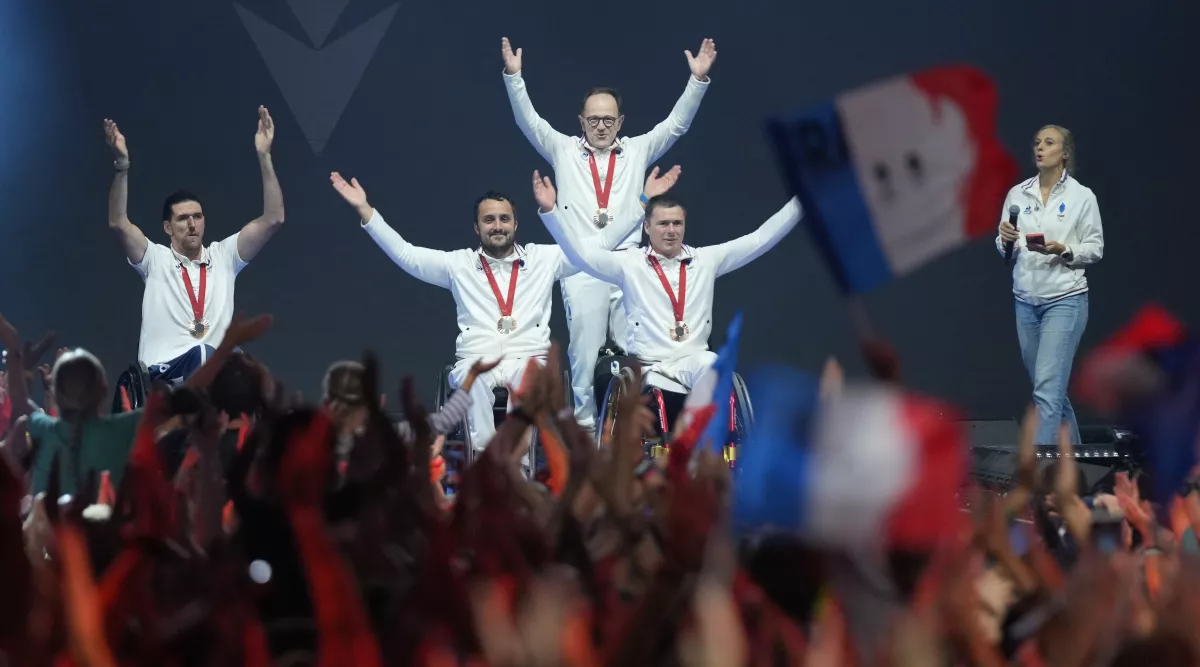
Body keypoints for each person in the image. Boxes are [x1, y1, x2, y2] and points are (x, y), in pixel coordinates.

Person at [328, 167, 679, 450]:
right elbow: (405, 254)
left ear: (515, 224)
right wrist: (366, 211)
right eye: (489, 220)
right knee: (475, 378)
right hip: (476, 359)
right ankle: (485, 461)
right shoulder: (458, 265)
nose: (497, 226)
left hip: (529, 359)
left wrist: (642, 201)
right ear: (476, 228)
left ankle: (515, 463)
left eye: (504, 219)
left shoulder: (545, 258)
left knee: (526, 380)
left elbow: (599, 243)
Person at [500, 36, 717, 431]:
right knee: (584, 356)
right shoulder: (562, 149)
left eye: (608, 120)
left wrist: (697, 81)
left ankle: (637, 431)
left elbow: (677, 125)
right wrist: (514, 77)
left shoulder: (637, 150)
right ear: (581, 121)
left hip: (633, 266)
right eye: (593, 120)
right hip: (582, 264)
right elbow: (526, 121)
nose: (601, 127)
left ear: (620, 122)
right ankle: (585, 431)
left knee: (643, 355)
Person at [534, 171, 802, 394]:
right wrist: (552, 213)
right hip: (648, 365)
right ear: (647, 228)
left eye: (676, 223)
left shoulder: (706, 260)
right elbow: (579, 255)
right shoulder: (629, 264)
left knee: (716, 367)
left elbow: (760, 239)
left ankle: (700, 443)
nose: (671, 230)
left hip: (693, 359)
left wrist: (804, 200)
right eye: (663, 224)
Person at [103, 107, 286, 384]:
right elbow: (118, 223)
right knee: (203, 353)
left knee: (245, 372)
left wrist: (264, 156)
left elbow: (273, 219)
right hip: (161, 377)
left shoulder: (224, 256)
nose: (192, 224)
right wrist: (122, 165)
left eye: (197, 217)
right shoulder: (155, 258)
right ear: (167, 227)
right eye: (183, 218)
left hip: (211, 377)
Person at [996, 125, 1103, 447]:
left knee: (1046, 390)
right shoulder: (1018, 194)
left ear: (1065, 153)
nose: (1040, 148)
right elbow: (1004, 248)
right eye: (1037, 143)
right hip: (1026, 301)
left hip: (1065, 300)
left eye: (1049, 142)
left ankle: (1039, 481)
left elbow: (1095, 248)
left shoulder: (1081, 196)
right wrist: (1005, 239)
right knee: (1050, 391)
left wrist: (1065, 250)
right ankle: (1083, 470)